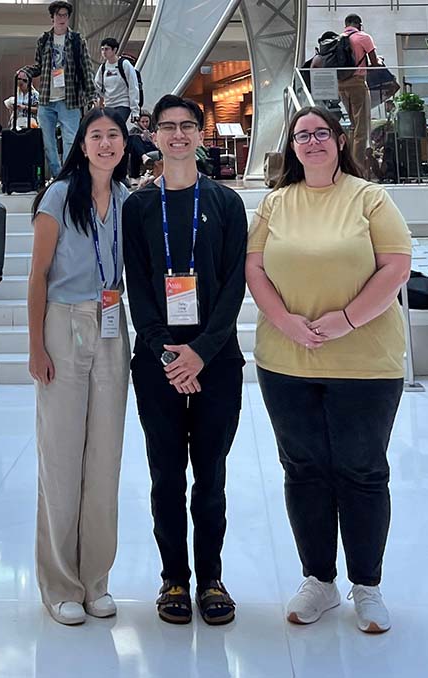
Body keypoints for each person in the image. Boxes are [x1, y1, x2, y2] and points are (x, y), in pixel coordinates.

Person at [245, 105, 411, 634]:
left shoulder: (370, 198)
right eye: (301, 135)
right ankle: (319, 580)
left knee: (362, 471)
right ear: (291, 147)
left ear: (339, 141)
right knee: (305, 470)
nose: (312, 142)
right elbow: (254, 267)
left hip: (365, 361)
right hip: (286, 360)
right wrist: (286, 322)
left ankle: (367, 585)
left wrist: (346, 320)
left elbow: (396, 266)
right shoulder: (275, 203)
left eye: (321, 133)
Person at [123, 94, 247, 627]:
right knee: (166, 475)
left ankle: (212, 577)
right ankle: (174, 577)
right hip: (157, 363)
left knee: (211, 476)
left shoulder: (225, 203)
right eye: (167, 127)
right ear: (152, 135)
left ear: (200, 135)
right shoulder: (139, 206)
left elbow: (234, 286)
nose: (177, 135)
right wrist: (165, 351)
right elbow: (138, 288)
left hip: (216, 360)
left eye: (187, 126)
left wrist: (200, 352)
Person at [27, 108, 131, 626]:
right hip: (64, 325)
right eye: (97, 136)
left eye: (114, 135)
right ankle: (60, 583)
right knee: (61, 456)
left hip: (113, 323)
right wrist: (35, 348)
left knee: (105, 458)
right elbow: (38, 276)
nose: (106, 143)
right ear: (82, 145)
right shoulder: (58, 196)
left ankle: (96, 580)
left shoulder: (129, 200)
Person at [19, 1, 95, 179]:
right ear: (52, 17)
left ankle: (69, 176)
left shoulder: (77, 40)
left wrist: (92, 96)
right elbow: (39, 66)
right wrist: (26, 71)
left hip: (69, 100)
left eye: (65, 15)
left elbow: (86, 68)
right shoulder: (44, 40)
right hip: (46, 99)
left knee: (70, 140)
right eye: (58, 15)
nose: (62, 18)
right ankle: (58, 177)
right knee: (48, 144)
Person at [339, 14, 378, 171]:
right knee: (361, 127)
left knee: (353, 126)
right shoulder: (363, 37)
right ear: (359, 25)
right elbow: (374, 62)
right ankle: (357, 169)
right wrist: (378, 62)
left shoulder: (339, 39)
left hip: (340, 85)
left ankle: (348, 163)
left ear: (346, 24)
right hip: (357, 83)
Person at [93, 37, 140, 127]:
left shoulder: (124, 64)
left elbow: (133, 86)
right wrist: (100, 100)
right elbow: (97, 86)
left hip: (123, 104)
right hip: (109, 105)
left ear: (115, 50)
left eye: (107, 49)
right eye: (102, 49)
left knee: (115, 126)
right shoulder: (103, 68)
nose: (104, 52)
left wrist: (135, 111)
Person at [128, 110, 157, 178]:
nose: (145, 124)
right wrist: (141, 137)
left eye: (147, 121)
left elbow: (157, 145)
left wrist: (151, 139)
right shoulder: (134, 130)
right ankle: (144, 157)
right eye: (143, 122)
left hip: (151, 147)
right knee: (134, 140)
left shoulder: (153, 130)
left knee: (135, 149)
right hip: (140, 150)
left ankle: (134, 176)